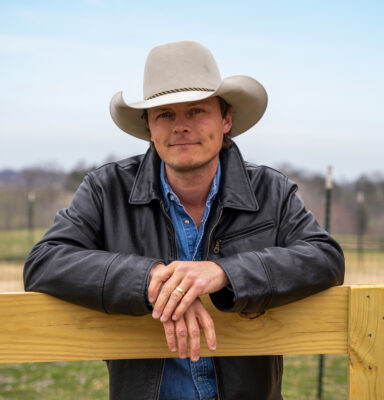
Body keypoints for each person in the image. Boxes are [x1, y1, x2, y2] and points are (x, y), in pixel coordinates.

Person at [24, 40, 345, 400]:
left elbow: (325, 257)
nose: (180, 126)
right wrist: (151, 279)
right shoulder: (106, 189)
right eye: (164, 114)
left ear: (226, 120)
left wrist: (225, 273)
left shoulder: (271, 190)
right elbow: (45, 261)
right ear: (149, 128)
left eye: (196, 111)